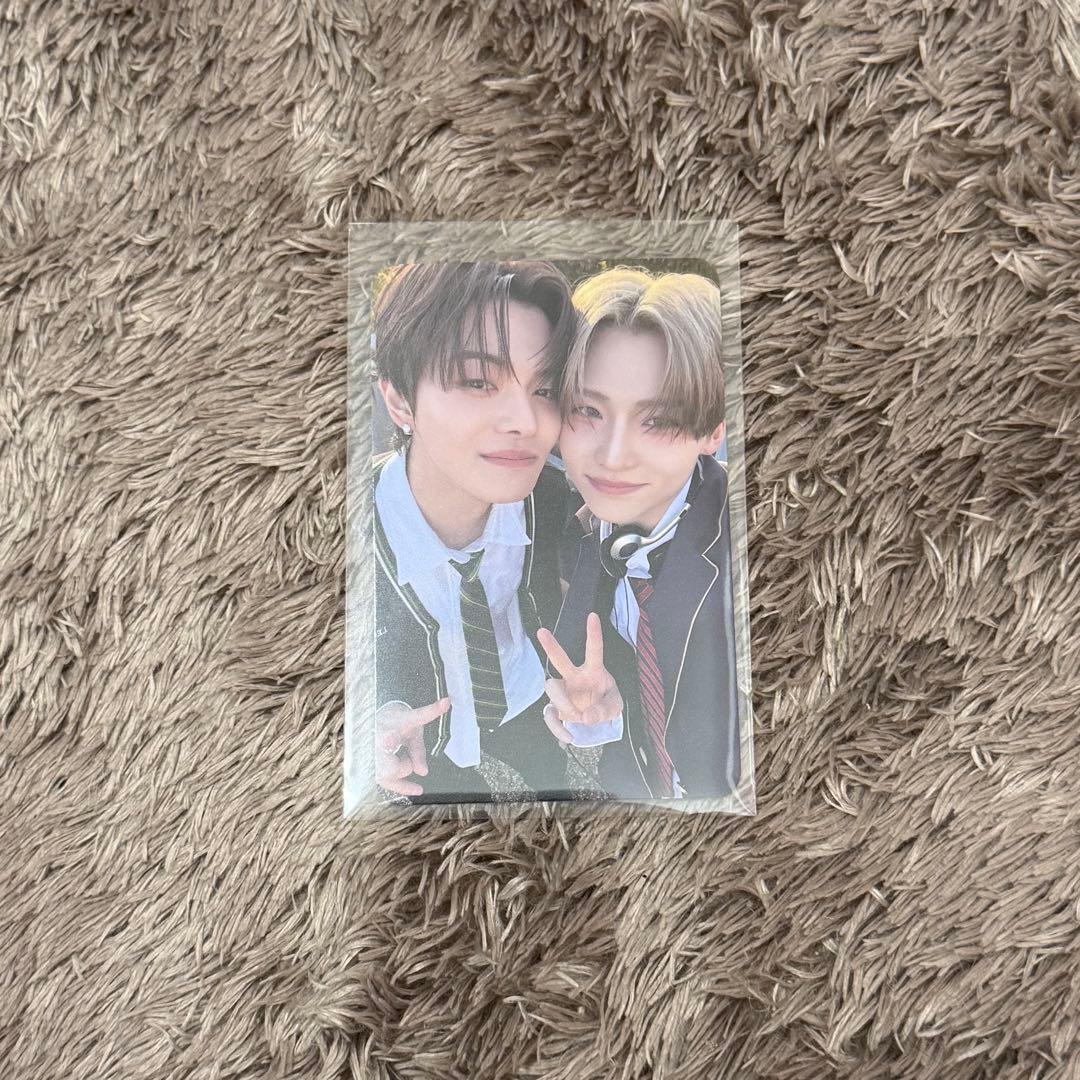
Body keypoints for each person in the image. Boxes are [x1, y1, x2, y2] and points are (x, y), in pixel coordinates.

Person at [372, 260, 595, 803]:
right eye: (477, 381)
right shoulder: (345, 532)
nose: (526, 421)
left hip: (525, 692)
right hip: (425, 735)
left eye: (545, 389)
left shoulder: (550, 496)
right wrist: (360, 726)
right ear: (400, 401)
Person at [544, 267, 741, 800]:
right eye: (588, 410)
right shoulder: (578, 532)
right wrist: (600, 719)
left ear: (714, 429)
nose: (612, 456)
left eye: (657, 420)